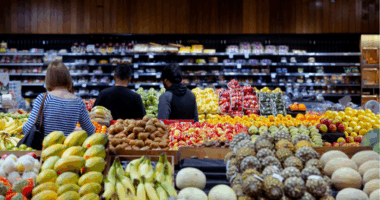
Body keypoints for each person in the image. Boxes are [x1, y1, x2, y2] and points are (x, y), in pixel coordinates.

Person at [23, 62, 95, 136]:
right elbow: (90, 130)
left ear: (48, 79)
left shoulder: (43, 99)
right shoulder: (78, 102)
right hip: (68, 147)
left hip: (45, 146)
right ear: (68, 77)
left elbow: (27, 128)